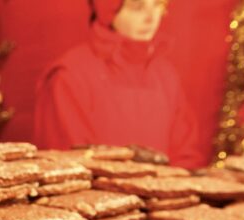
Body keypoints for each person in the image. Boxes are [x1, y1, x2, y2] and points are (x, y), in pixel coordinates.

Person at [33, 0, 199, 168]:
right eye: (136, 7)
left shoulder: (166, 76)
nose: (150, 18)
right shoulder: (69, 76)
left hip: (164, 185)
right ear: (109, 11)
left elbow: (185, 157)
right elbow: (67, 166)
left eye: (157, 4)